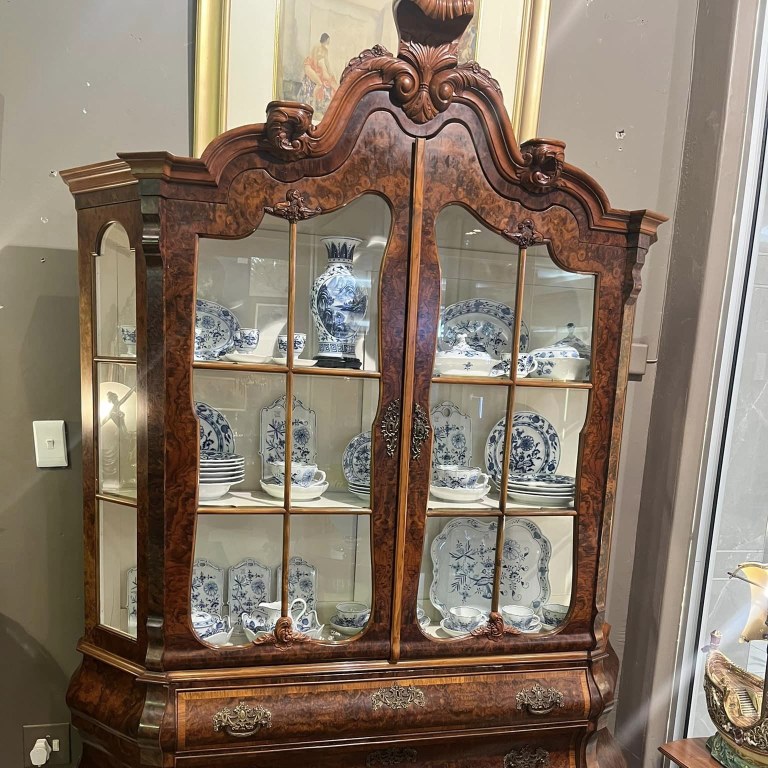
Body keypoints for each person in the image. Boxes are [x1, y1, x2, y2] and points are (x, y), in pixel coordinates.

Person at [297, 32, 338, 116]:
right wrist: (317, 71)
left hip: (317, 67)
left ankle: (321, 104)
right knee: (319, 83)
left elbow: (327, 63)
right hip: (309, 65)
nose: (329, 42)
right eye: (328, 40)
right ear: (325, 39)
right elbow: (314, 59)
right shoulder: (317, 46)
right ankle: (313, 105)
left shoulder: (325, 50)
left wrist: (331, 73)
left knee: (329, 79)